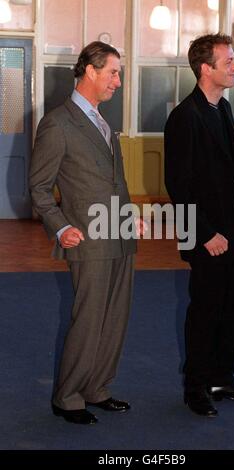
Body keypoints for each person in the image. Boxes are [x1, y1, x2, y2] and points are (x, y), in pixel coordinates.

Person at [29, 41, 139, 424]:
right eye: (113, 72)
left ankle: (97, 388)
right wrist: (60, 229)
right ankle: (69, 396)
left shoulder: (103, 122)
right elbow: (39, 188)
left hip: (121, 235)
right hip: (88, 238)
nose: (118, 82)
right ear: (90, 71)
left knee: (115, 317)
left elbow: (114, 183)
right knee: (89, 318)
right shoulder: (57, 123)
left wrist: (130, 217)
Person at [164, 33, 234, 417]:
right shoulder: (184, 117)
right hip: (208, 235)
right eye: (229, 61)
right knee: (205, 310)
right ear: (206, 69)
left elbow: (233, 167)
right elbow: (179, 186)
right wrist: (206, 235)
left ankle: (223, 377)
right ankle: (196, 387)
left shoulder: (221, 108)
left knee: (233, 307)